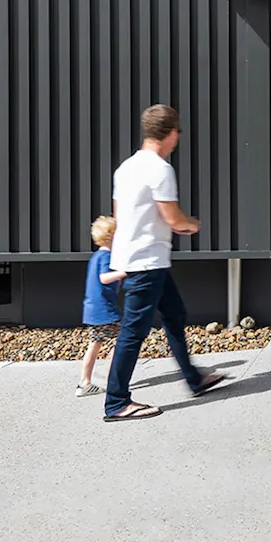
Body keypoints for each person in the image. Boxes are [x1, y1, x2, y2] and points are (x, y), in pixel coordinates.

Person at [103, 104, 228, 422]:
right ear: (171, 133)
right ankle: (116, 402)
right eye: (178, 133)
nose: (178, 139)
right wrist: (192, 225)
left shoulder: (126, 168)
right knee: (134, 332)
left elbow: (120, 218)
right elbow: (173, 219)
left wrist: (120, 261)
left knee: (174, 314)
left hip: (141, 259)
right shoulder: (159, 169)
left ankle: (194, 379)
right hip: (147, 262)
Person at [77, 215, 126, 397]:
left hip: (93, 309)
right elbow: (104, 278)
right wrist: (123, 273)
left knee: (95, 344)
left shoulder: (97, 256)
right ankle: (111, 378)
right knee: (123, 340)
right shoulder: (106, 256)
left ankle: (85, 382)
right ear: (111, 236)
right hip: (104, 310)